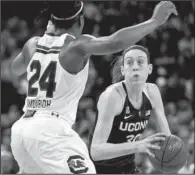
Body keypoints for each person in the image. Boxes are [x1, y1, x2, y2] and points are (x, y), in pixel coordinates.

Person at [10, 1, 177, 174]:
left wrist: (46, 45)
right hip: (49, 131)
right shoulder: (76, 46)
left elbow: (16, 69)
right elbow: (116, 42)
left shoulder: (32, 44)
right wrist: (154, 21)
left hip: (22, 130)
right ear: (80, 21)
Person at [89, 45, 172, 174]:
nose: (135, 66)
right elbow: (96, 151)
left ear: (149, 68)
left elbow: (167, 139)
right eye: (129, 62)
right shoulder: (112, 96)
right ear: (123, 70)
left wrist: (172, 153)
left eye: (140, 62)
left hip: (128, 167)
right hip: (98, 169)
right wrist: (138, 145)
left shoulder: (152, 92)